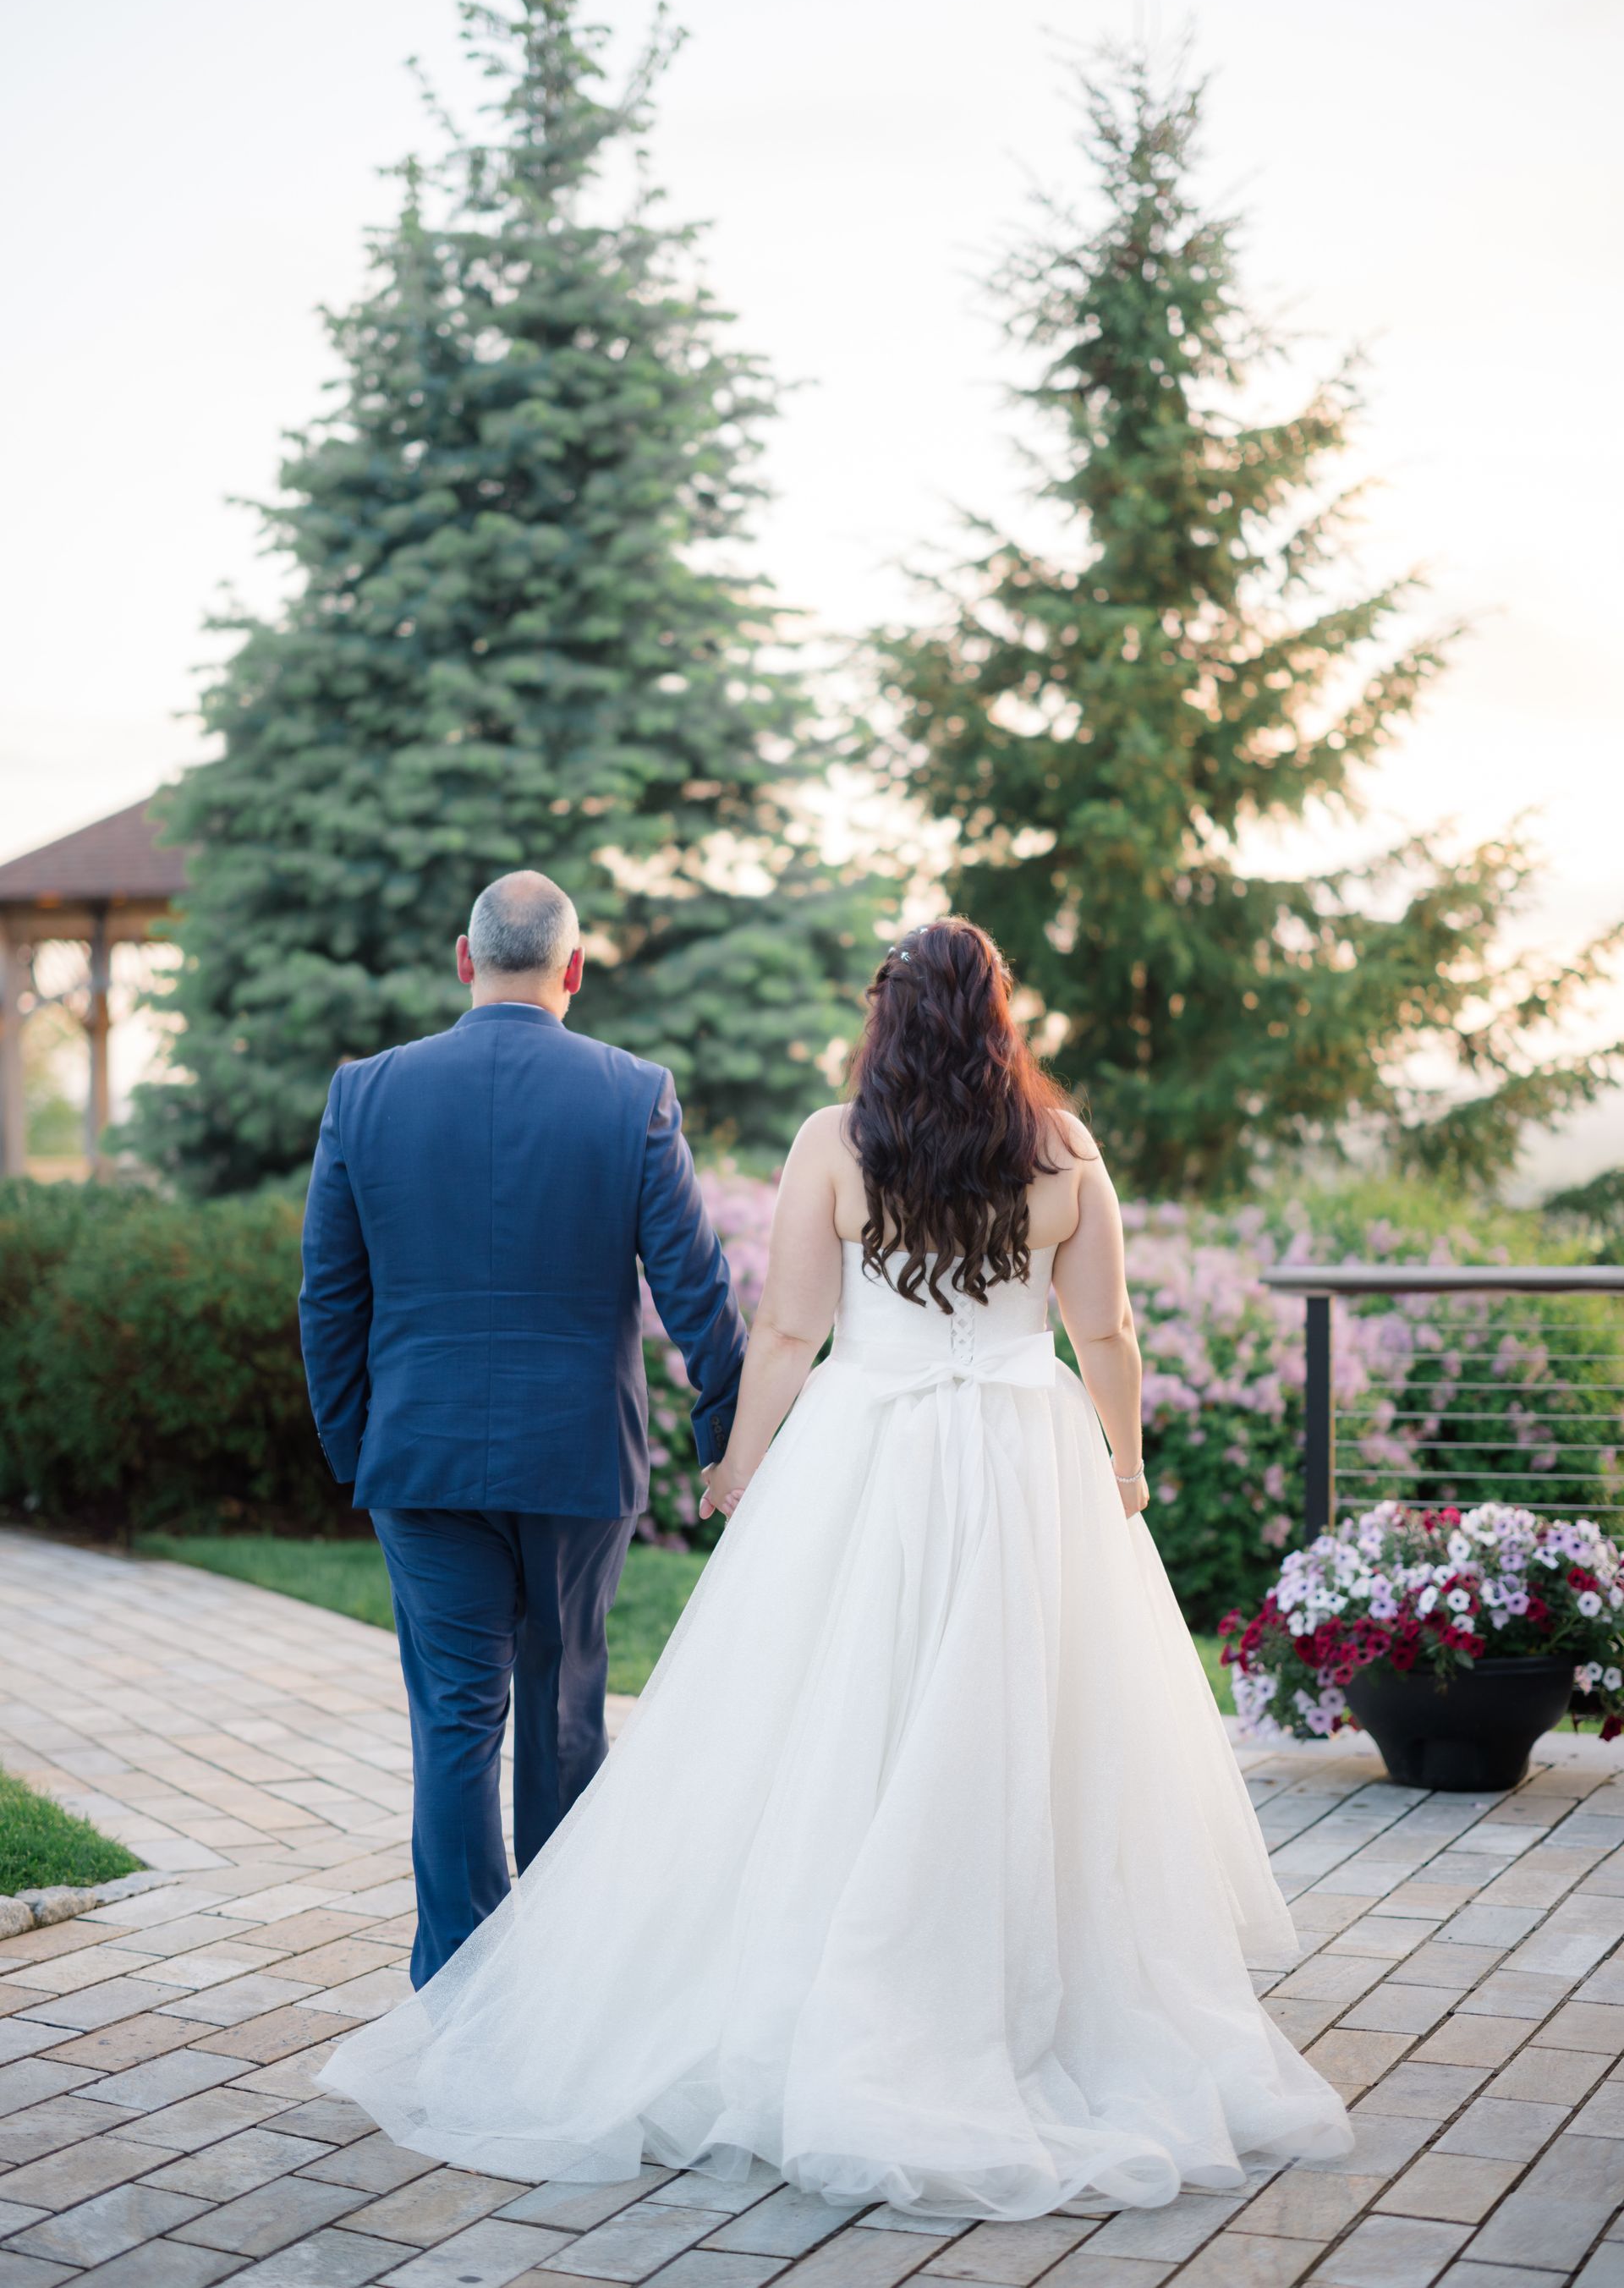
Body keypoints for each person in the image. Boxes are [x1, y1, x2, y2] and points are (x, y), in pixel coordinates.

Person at [321, 917, 1352, 2216]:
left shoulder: (835, 1141)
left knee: (830, 1716)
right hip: (1027, 1462)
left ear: (887, 1017)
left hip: (870, 1449)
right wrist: (1126, 1470)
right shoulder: (1065, 1149)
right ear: (1001, 1016)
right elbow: (1109, 1334)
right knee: (1025, 1727)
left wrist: (743, 1467)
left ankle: (735, 1975)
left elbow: (790, 1327)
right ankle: (1015, 1985)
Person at [299, 870, 747, 1987]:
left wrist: (359, 1446)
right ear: (574, 971)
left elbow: (327, 1299)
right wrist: (730, 1440)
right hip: (577, 1459)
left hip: (420, 1457)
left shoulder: (366, 1094)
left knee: (456, 1720)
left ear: (465, 958)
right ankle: (554, 1985)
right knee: (560, 1717)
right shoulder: (630, 1093)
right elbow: (696, 1292)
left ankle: (457, 1980)